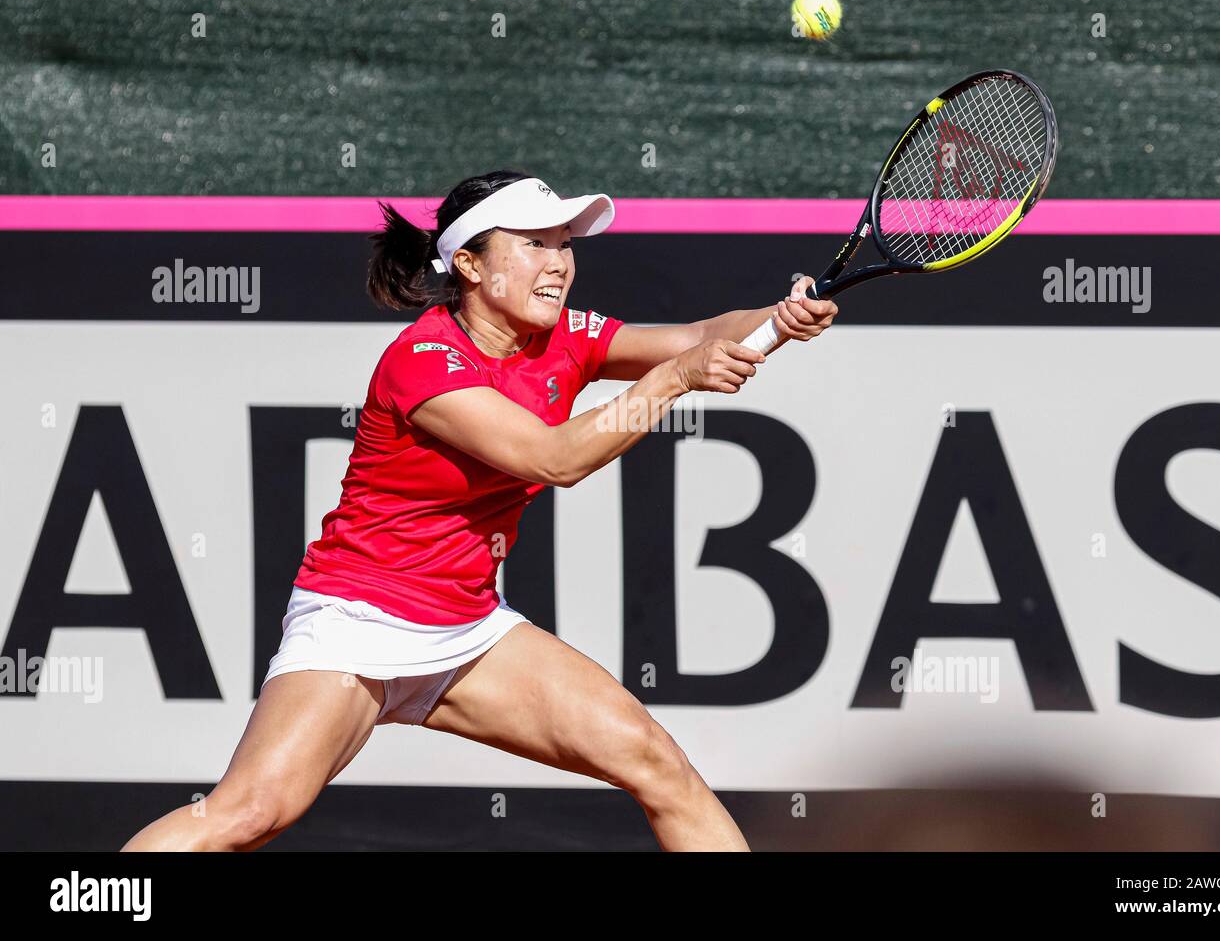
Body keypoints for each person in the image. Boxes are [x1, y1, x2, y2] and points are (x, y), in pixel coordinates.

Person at [123, 170, 837, 852]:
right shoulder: (423, 359)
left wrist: (778, 318)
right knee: (248, 815)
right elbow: (554, 458)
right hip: (358, 622)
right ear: (468, 263)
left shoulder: (565, 338)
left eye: (564, 244)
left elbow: (699, 333)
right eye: (533, 244)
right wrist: (675, 381)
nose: (557, 263)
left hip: (466, 631)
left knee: (658, 766)